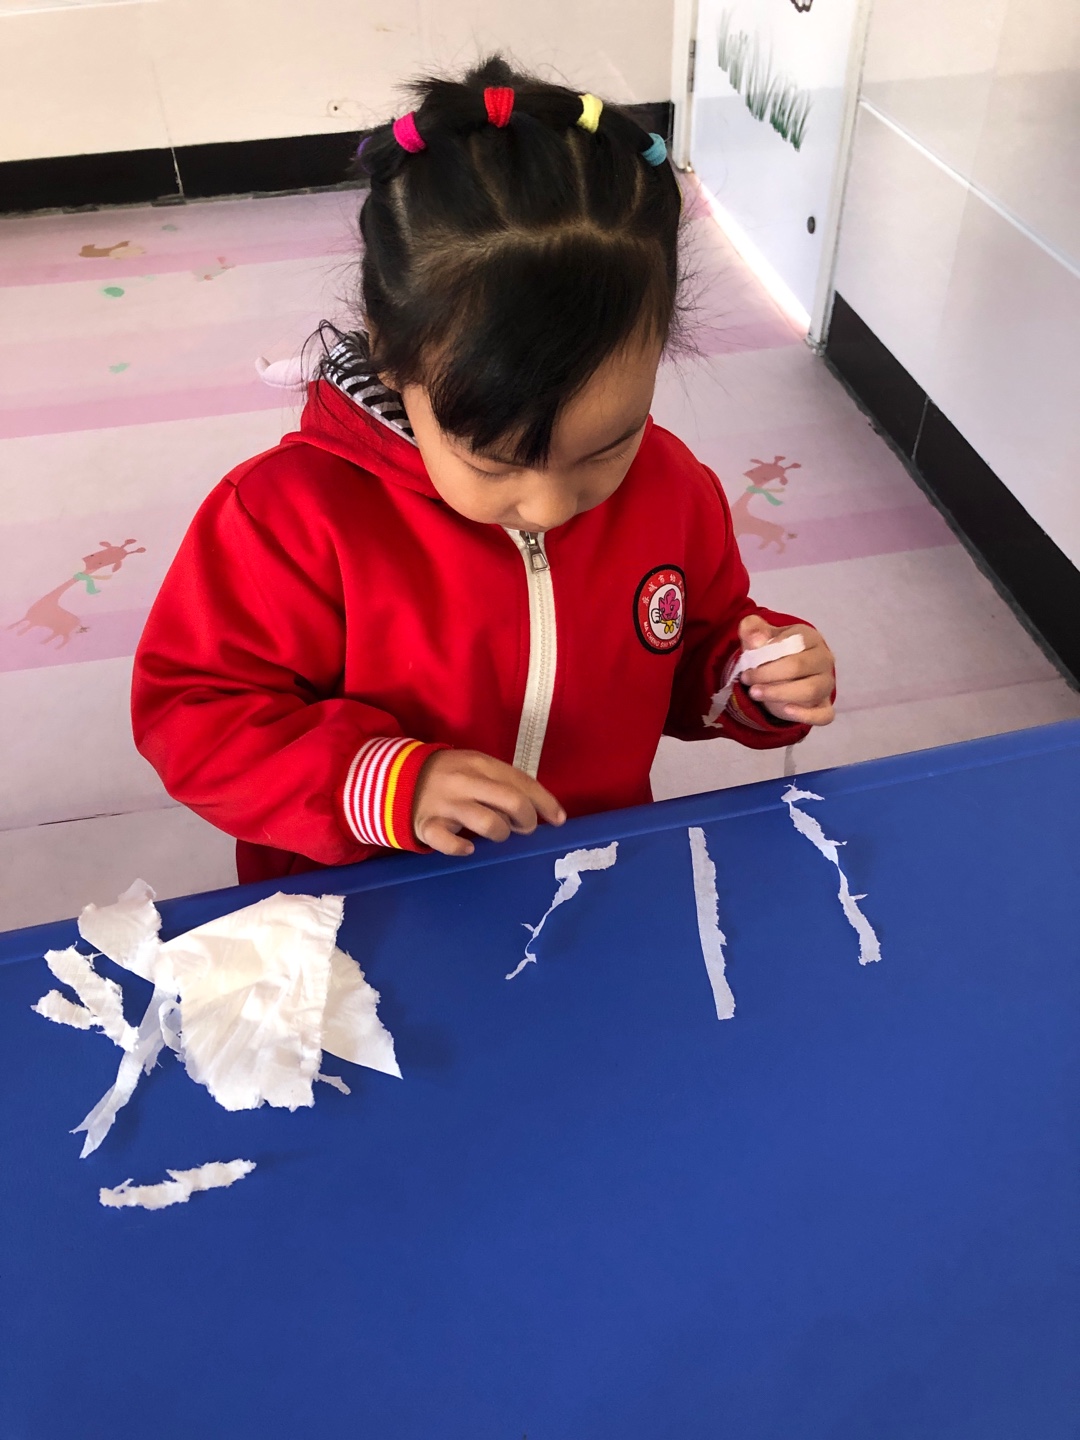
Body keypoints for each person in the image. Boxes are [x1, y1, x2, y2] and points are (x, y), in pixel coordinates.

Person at [132, 57, 836, 885]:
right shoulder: (285, 518)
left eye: (606, 447)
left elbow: (692, 650)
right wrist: (383, 783)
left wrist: (750, 677)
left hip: (586, 879)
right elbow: (193, 717)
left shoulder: (673, 488)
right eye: (496, 463)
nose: (552, 505)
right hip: (367, 901)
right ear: (393, 356)